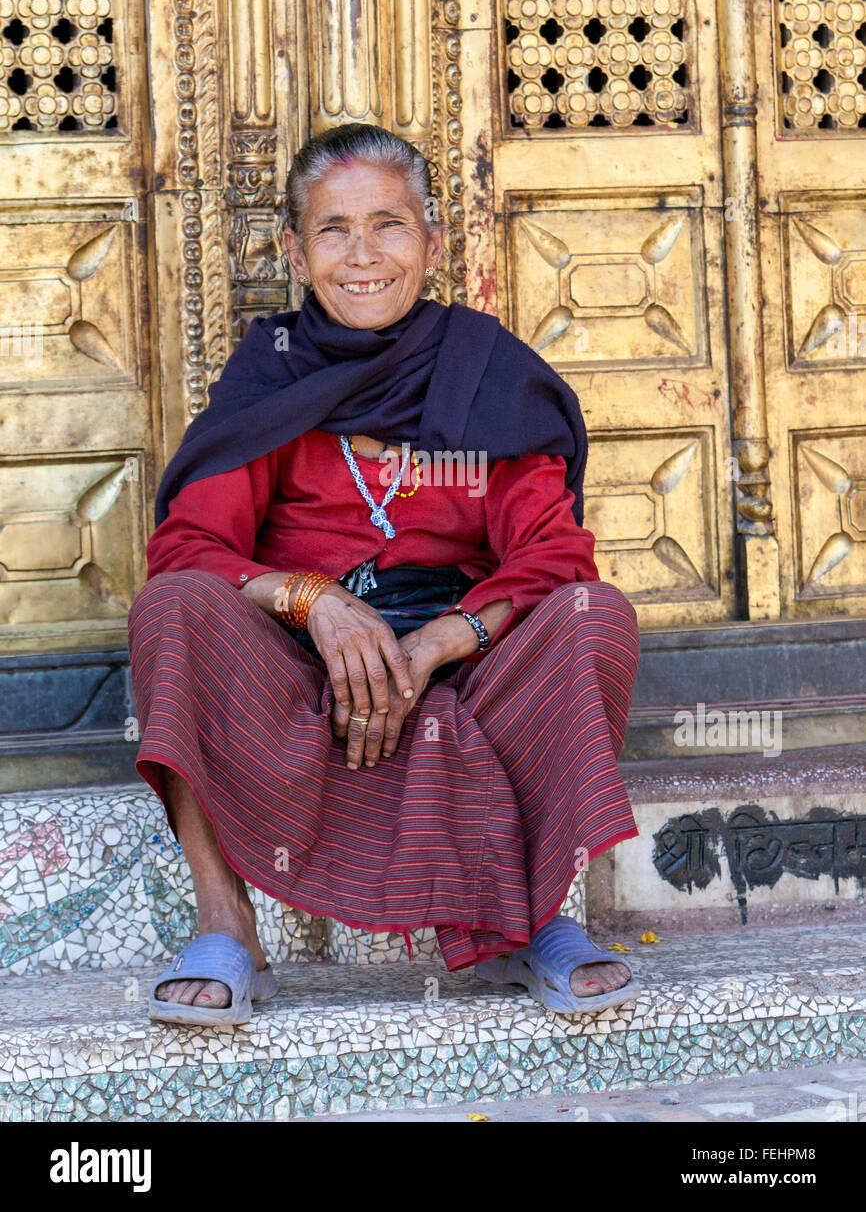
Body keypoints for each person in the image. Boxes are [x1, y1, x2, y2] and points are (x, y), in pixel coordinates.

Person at [128, 122, 641, 1026]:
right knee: (174, 606)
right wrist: (313, 601)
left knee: (592, 613)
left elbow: (554, 554)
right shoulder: (270, 380)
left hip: (468, 659)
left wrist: (448, 637)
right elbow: (189, 546)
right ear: (294, 251)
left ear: (432, 242)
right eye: (332, 230)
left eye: (388, 225)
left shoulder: (488, 375)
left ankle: (539, 917)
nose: (361, 256)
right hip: (302, 663)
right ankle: (227, 924)